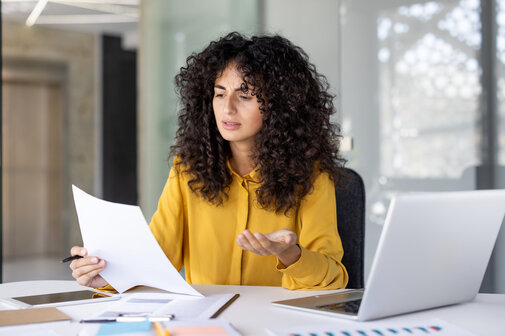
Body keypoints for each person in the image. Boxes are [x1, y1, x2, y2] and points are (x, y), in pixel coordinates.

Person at [70, 32, 348, 290]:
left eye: (245, 95)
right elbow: (155, 260)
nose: (228, 108)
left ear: (281, 105)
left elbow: (333, 279)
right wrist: (105, 275)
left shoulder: (311, 175)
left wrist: (289, 254)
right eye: (219, 93)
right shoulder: (187, 169)